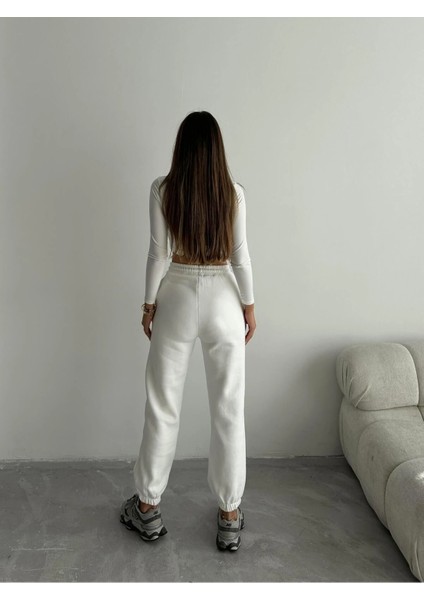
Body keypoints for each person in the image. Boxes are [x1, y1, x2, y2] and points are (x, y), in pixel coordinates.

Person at [120, 110, 256, 551]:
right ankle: (230, 515)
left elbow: (157, 254)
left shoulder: (163, 189)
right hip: (224, 299)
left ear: (181, 147)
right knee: (228, 408)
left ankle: (147, 508)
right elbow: (240, 256)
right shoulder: (233, 193)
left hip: (176, 295)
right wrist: (249, 307)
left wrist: (148, 305)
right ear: (217, 149)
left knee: (162, 405)